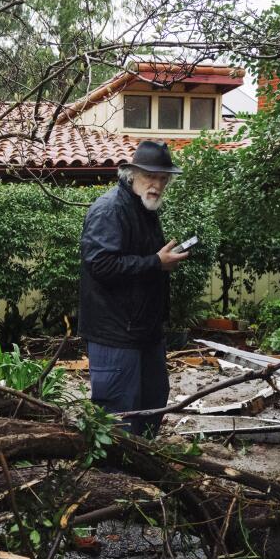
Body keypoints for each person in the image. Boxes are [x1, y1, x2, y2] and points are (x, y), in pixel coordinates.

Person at [79, 140, 188, 436]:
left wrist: (159, 261)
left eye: (163, 179)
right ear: (132, 174)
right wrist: (156, 262)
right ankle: (118, 481)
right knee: (119, 419)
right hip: (115, 335)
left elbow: (142, 260)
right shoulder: (110, 209)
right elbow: (101, 265)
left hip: (144, 332)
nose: (156, 184)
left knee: (152, 405)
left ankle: (144, 473)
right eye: (150, 176)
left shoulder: (145, 208)